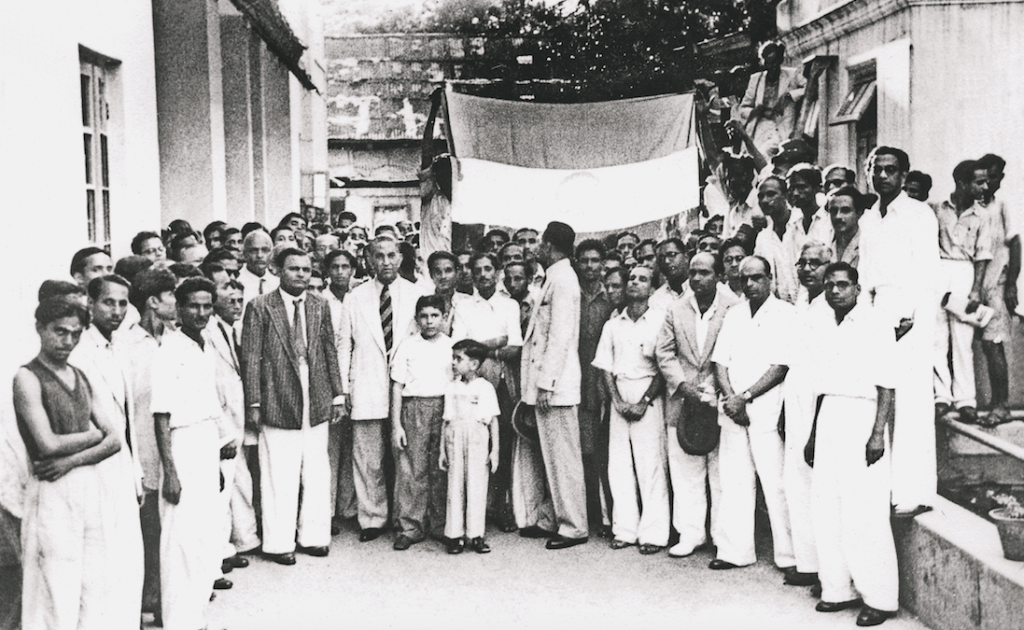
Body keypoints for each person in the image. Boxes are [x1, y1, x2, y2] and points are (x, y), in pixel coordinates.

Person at [15, 297, 139, 630]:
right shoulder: (28, 377)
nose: (67, 341)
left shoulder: (80, 375)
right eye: (59, 332)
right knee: (55, 588)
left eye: (74, 334)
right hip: (52, 490)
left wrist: (71, 459)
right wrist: (91, 435)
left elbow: (114, 439)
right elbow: (46, 443)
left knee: (93, 586)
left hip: (86, 485)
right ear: (40, 328)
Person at [805, 263, 899, 627]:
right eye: (829, 286)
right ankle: (837, 588)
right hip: (830, 414)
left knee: (865, 512)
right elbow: (820, 387)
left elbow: (887, 385)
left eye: (842, 285)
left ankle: (880, 597)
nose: (834, 291)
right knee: (826, 508)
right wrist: (813, 434)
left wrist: (877, 434)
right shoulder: (825, 323)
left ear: (858, 289)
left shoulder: (876, 323)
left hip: (862, 416)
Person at [241, 248, 344, 565]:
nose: (301, 274)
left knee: (316, 471)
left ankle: (313, 537)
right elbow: (251, 357)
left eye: (306, 269)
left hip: (316, 393)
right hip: (277, 394)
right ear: (278, 271)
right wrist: (255, 403)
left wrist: (338, 395)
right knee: (279, 474)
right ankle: (278, 542)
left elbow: (329, 351)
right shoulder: (260, 307)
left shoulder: (319, 305)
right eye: (293, 269)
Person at [858, 146, 940, 519]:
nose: (882, 176)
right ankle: (888, 488)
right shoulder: (870, 217)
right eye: (876, 169)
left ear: (904, 175)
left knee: (911, 402)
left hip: (912, 312)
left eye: (890, 170)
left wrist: (908, 317)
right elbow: (866, 272)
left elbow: (926, 272)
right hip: (877, 309)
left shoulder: (919, 214)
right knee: (882, 399)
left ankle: (917, 491)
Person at [710, 256, 795, 571]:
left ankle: (789, 556)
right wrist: (732, 399)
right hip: (733, 411)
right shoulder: (734, 314)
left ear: (770, 278)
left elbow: (781, 366)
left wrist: (745, 397)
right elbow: (720, 362)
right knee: (734, 482)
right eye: (744, 279)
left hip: (766, 409)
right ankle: (735, 552)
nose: (749, 285)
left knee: (776, 484)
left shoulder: (786, 314)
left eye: (756, 278)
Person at [151, 277, 225, 630]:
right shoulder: (169, 350)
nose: (200, 312)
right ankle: (179, 623)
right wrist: (172, 472)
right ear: (178, 309)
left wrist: (215, 460)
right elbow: (161, 416)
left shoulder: (205, 344)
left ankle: (195, 620)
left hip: (205, 444)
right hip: (181, 445)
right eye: (193, 306)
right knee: (179, 542)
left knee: (204, 539)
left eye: (206, 306)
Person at [337, 236, 422, 542]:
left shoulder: (417, 294)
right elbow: (344, 344)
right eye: (379, 256)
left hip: (407, 387)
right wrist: (343, 390)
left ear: (401, 258)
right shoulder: (355, 297)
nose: (386, 262)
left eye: (391, 255)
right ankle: (372, 518)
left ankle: (405, 518)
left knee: (405, 458)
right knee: (368, 458)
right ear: (369, 260)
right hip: (367, 385)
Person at [655, 252, 737, 558]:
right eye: (693, 273)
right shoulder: (675, 309)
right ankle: (691, 534)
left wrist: (714, 388)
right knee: (685, 469)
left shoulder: (733, 308)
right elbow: (664, 352)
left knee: (719, 473)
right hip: (683, 399)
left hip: (719, 398)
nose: (697, 278)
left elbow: (734, 353)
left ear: (718, 275)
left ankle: (720, 536)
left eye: (704, 273)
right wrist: (684, 386)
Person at [520, 221, 589, 549]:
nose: (536, 247)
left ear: (550, 245)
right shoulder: (553, 277)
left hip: (557, 386)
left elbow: (561, 337)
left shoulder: (564, 280)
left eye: (540, 242)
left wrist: (547, 384)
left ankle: (573, 525)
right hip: (548, 384)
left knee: (563, 458)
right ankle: (552, 517)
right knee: (550, 455)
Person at [593, 264, 669, 554]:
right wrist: (618, 401)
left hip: (648, 395)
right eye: (632, 279)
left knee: (650, 465)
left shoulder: (662, 320)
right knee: (619, 466)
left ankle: (653, 533)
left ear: (652, 287)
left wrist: (644, 401)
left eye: (643, 279)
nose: (635, 283)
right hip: (620, 397)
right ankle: (624, 529)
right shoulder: (613, 325)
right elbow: (605, 369)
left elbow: (664, 368)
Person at [119, 268, 179, 620]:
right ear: (154, 301)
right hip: (143, 452)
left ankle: (169, 597)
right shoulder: (127, 345)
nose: (176, 301)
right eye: (171, 295)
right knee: (148, 530)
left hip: (174, 450)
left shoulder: (175, 339)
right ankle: (148, 599)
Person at [451, 253, 524, 533]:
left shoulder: (509, 306)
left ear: (497, 272)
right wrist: (495, 343)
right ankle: (470, 512)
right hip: (469, 384)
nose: (482, 275)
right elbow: (460, 348)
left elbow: (514, 348)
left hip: (501, 384)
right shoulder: (464, 306)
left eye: (488, 269)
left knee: (499, 446)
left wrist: (478, 349)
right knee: (469, 445)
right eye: (477, 270)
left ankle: (497, 506)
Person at [780, 242, 833, 589]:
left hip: (821, 397)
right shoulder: (800, 303)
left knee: (820, 484)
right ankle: (807, 561)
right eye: (803, 262)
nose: (808, 269)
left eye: (816, 263)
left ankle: (829, 570)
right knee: (795, 481)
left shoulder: (832, 308)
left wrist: (815, 424)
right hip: (795, 393)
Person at [931, 160, 992, 423]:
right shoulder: (937, 208)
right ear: (962, 183)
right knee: (937, 336)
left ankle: (966, 399)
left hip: (965, 271)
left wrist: (976, 289)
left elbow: (983, 254)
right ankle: (941, 396)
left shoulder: (983, 215)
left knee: (962, 338)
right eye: (979, 182)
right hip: (938, 269)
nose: (985, 187)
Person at [390, 295, 454, 550]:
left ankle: (440, 524)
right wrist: (397, 424)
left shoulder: (451, 345)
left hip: (443, 407)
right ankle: (410, 526)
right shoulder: (408, 345)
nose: (429, 321)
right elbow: (397, 386)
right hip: (413, 407)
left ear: (444, 317)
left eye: (435, 316)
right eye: (424, 316)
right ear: (416, 319)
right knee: (412, 469)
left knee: (440, 467)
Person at [208, 279, 260, 565]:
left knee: (239, 481)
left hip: (236, 416)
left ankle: (242, 539)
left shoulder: (235, 330)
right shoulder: (209, 333)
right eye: (230, 301)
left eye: (240, 300)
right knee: (226, 485)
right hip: (222, 419)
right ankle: (225, 548)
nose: (237, 306)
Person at [439, 340, 500, 554]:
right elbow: (446, 421)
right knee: (455, 485)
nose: (453, 363)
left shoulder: (485, 388)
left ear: (474, 364)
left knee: (476, 485)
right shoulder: (451, 387)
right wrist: (441, 451)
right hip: (455, 437)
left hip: (477, 438)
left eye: (459, 359)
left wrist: (495, 451)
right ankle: (455, 536)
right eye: (453, 358)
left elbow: (492, 421)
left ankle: (476, 535)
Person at [976, 153, 1020, 427]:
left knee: (994, 347)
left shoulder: (1002, 206)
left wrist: (1012, 282)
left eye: (994, 177)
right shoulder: (972, 207)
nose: (990, 182)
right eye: (985, 177)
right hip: (974, 289)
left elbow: (1014, 244)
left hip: (995, 286)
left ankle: (1001, 405)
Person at [575, 240, 614, 537]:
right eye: (584, 260)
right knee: (583, 453)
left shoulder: (611, 297)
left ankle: (610, 515)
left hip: (604, 382)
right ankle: (588, 513)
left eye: (595, 261)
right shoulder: (571, 295)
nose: (589, 266)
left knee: (606, 452)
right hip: (576, 380)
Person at [323, 249, 359, 532]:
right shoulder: (320, 301)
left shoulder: (360, 296)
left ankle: (350, 507)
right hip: (330, 381)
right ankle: (329, 509)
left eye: (345, 266)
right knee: (331, 450)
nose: (339, 272)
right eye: (334, 267)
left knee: (354, 449)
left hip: (359, 377)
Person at [735, 40, 805, 159]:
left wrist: (788, 96)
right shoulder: (756, 79)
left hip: (782, 128)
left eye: (774, 62)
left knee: (769, 154)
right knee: (755, 158)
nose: (772, 67)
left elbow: (808, 87)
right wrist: (755, 111)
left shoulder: (792, 75)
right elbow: (743, 108)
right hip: (759, 129)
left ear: (780, 61)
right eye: (768, 63)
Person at [828, 186, 870, 267]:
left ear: (859, 213)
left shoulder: (867, 245)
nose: (838, 216)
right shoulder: (825, 242)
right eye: (833, 211)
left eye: (845, 210)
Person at [238, 230, 278, 307]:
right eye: (253, 251)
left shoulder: (277, 283)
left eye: (265, 250)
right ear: (244, 254)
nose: (259, 255)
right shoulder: (237, 281)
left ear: (272, 253)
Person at [649, 238, 689, 310]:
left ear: (686, 257)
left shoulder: (698, 289)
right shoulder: (656, 298)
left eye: (672, 255)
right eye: (661, 258)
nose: (666, 261)